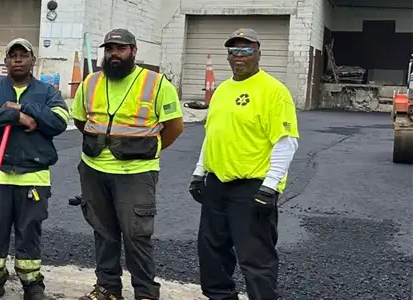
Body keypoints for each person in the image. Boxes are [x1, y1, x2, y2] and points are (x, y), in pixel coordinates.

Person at [71, 29, 185, 300]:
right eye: (109, 49)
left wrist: (148, 150)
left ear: (133, 51)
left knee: (137, 236)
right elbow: (80, 120)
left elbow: (175, 127)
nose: (113, 54)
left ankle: (145, 293)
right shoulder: (91, 82)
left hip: (135, 173)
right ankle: (108, 289)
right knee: (103, 232)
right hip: (94, 169)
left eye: (120, 49)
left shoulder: (155, 83)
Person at [190, 28, 298, 300]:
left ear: (258, 54)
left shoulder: (274, 91)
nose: (239, 56)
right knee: (212, 252)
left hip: (252, 187)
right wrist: (198, 172)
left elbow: (286, 142)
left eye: (246, 50)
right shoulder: (223, 90)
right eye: (233, 50)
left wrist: (269, 187)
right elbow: (213, 134)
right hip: (217, 184)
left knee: (255, 257)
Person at [0, 38, 70, 300]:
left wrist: (24, 106)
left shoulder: (47, 93)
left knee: (29, 231)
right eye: (13, 55)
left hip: (33, 176)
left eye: (24, 55)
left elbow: (57, 121)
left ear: (33, 60)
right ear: (6, 61)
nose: (18, 59)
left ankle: (32, 285)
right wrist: (16, 117)